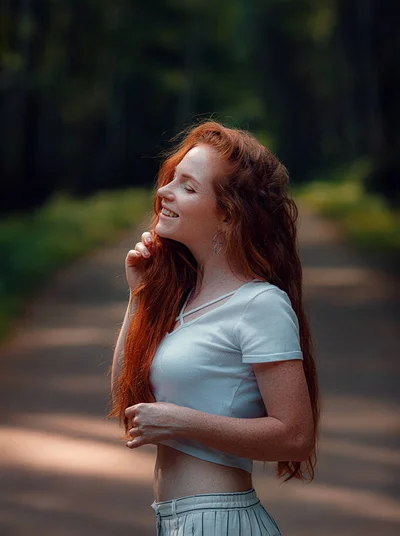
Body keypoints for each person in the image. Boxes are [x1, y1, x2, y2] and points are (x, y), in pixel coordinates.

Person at [109, 120, 320, 535]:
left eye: (187, 187)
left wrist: (182, 422)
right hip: (176, 521)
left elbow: (296, 436)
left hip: (219, 520)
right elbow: (127, 401)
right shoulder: (188, 299)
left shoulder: (260, 304)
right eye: (173, 179)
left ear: (228, 216)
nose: (163, 193)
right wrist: (140, 299)